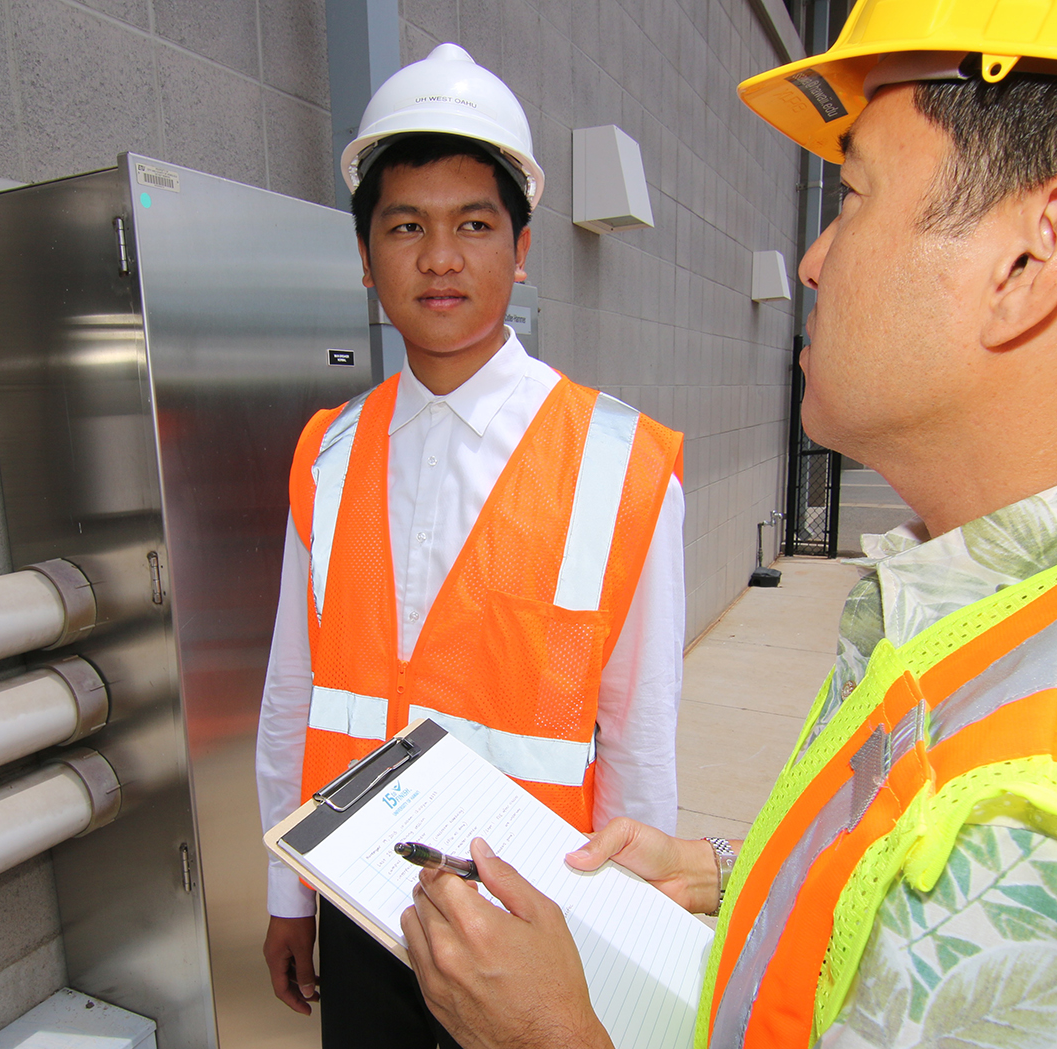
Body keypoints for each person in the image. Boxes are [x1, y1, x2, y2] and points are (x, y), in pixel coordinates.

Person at [397, 3, 1057, 1048]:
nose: (814, 260)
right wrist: (733, 877)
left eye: (854, 192)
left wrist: (546, 1033)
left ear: (1035, 255)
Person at [255, 43, 686, 1049]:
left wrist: (623, 933)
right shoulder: (327, 451)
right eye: (405, 227)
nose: (439, 258)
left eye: (474, 226)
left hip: (534, 919)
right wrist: (288, 888)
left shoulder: (620, 459)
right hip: (362, 898)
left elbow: (638, 730)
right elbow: (293, 690)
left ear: (521, 248)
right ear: (365, 258)